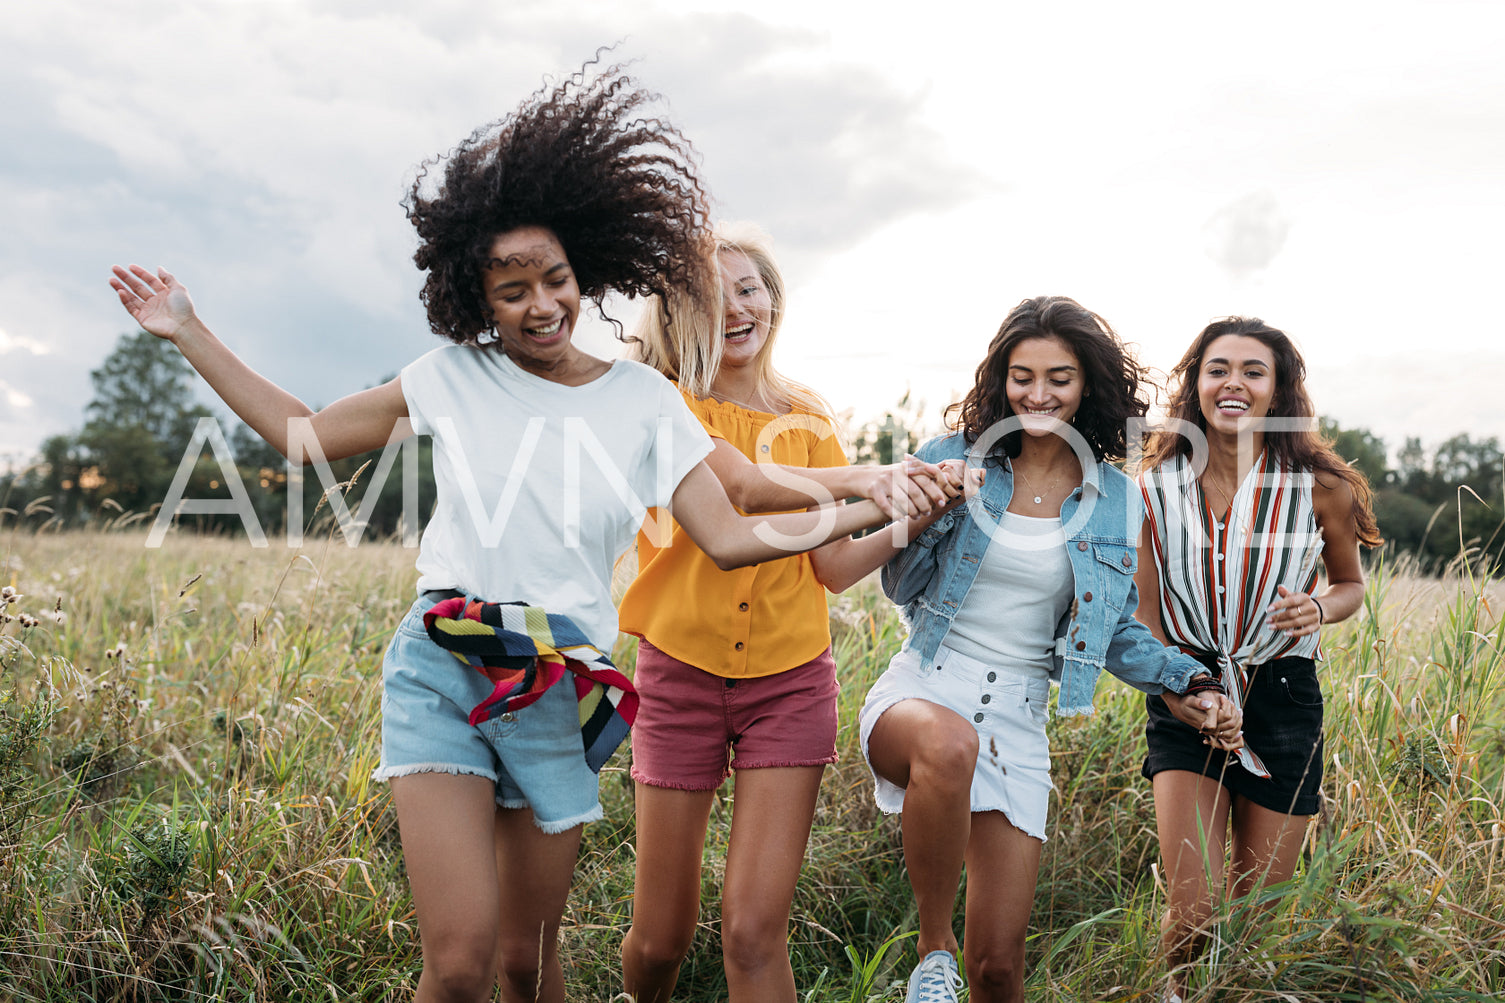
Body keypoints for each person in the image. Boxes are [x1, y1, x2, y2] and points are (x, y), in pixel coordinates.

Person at [109, 64, 901, 1003]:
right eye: (511, 287)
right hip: (441, 660)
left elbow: (730, 527)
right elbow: (302, 436)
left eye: (555, 280)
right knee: (457, 965)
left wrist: (867, 499)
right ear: (474, 296)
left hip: (559, 682)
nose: (539, 304)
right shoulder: (452, 376)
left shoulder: (642, 402)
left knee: (525, 964)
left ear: (584, 274)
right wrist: (189, 331)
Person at [809, 295, 1243, 1003]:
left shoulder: (1114, 498)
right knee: (949, 747)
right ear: (998, 380)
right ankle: (930, 952)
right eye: (1021, 375)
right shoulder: (951, 458)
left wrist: (1188, 680)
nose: (1036, 394)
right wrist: (932, 510)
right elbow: (883, 576)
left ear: (1086, 388)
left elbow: (1114, 629)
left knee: (999, 970)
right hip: (924, 688)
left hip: (1017, 717)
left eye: (1058, 378)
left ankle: (961, 964)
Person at [617, 222, 960, 1002]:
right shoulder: (662, 402)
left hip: (789, 685)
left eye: (750, 288)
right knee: (661, 935)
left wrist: (911, 515)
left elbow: (831, 567)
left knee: (751, 931)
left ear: (773, 297)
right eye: (712, 295)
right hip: (679, 676)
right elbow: (743, 492)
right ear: (676, 315)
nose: (737, 308)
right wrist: (875, 480)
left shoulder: (807, 414)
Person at [1134, 317, 1379, 1003]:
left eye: (1252, 370)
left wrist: (1318, 608)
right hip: (1187, 690)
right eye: (1217, 368)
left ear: (1278, 389)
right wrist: (1178, 690)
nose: (1232, 383)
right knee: (1194, 917)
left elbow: (1348, 584)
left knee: (1253, 927)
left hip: (1283, 697)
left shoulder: (1320, 484)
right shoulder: (1152, 486)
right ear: (1196, 383)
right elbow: (1144, 615)